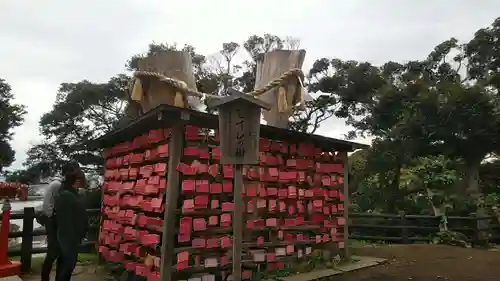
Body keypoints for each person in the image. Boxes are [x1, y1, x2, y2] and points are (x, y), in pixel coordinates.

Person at [40, 161, 81, 281]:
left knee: (55, 251)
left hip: (51, 219)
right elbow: (61, 205)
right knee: (54, 251)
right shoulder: (58, 185)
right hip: (53, 221)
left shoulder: (55, 183)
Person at [54, 170, 88, 281]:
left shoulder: (67, 194)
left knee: (65, 264)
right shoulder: (68, 196)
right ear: (77, 181)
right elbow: (72, 218)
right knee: (67, 264)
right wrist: (76, 234)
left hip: (67, 234)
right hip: (69, 236)